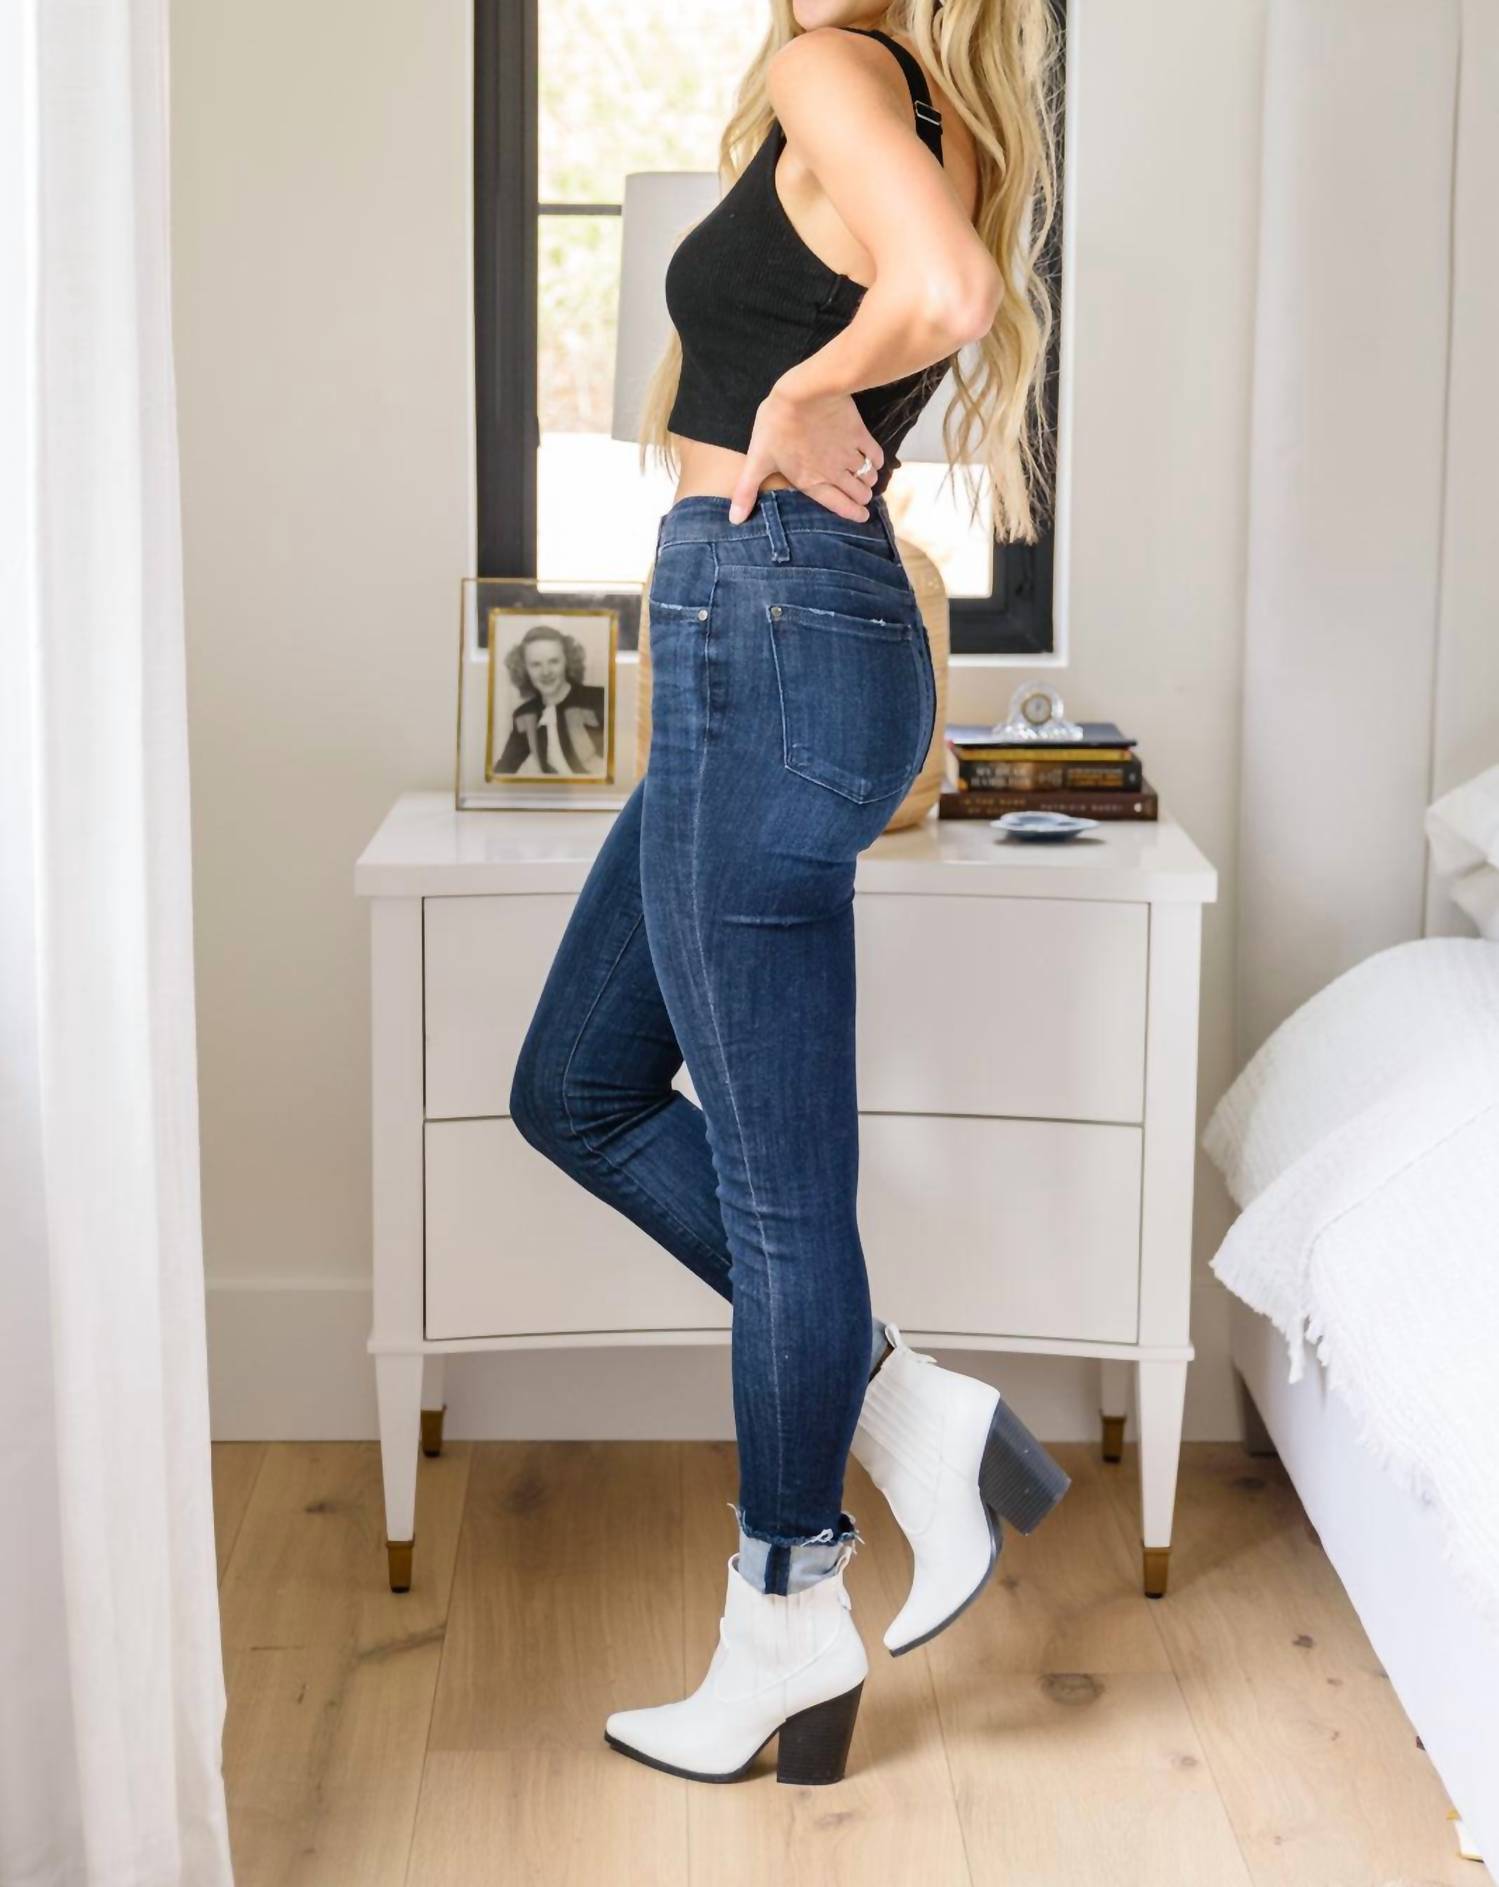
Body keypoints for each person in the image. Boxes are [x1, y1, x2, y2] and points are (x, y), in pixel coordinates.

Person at [509, 0, 1068, 1786]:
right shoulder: (913, 99)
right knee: (575, 1086)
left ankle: (785, 1609)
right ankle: (909, 1408)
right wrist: (813, 381)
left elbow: (945, 290)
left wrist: (793, 391)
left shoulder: (838, 67)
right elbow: (933, 279)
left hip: (759, 617)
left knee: (774, 1197)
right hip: (796, 629)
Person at [492, 623, 608, 776]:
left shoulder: (600, 699)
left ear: (567, 661)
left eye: (554, 661)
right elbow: (504, 770)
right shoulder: (524, 716)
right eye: (535, 664)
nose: (546, 672)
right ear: (524, 668)